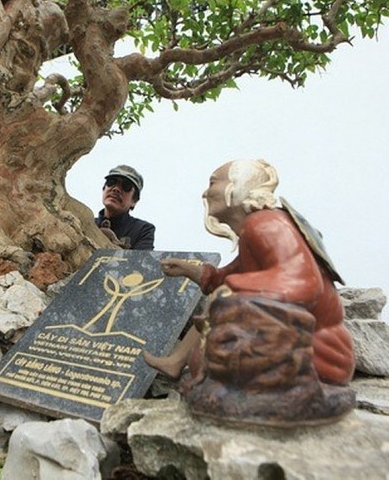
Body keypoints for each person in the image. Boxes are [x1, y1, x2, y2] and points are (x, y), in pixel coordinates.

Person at [144, 158, 355, 386]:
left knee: (217, 324)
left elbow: (305, 282)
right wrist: (190, 270)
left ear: (238, 185)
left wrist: (230, 290)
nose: (206, 193)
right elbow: (226, 278)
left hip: (319, 352)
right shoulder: (254, 228)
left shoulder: (266, 224)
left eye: (213, 183)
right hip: (299, 343)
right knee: (214, 324)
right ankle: (176, 361)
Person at [95, 165, 155, 250]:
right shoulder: (84, 222)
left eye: (126, 186)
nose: (116, 189)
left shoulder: (142, 230)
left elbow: (140, 262)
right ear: (104, 189)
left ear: (134, 201)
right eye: (111, 182)